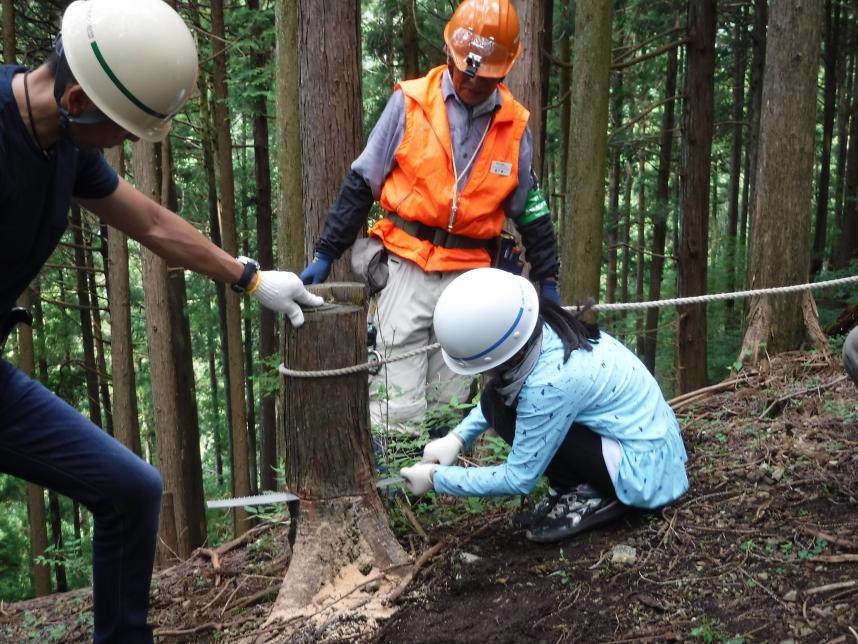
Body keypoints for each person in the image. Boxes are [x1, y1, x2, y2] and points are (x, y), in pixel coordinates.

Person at [0, 1, 322, 641]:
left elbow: (148, 222)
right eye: (119, 130)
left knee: (131, 489)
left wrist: (249, 277)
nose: (122, 144)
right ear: (73, 98)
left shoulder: (61, 139)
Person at [299, 0, 560, 436]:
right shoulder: (411, 103)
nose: (474, 82)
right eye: (467, 71)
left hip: (471, 276)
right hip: (406, 264)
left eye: (486, 75)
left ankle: (438, 493)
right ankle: (396, 491)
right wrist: (328, 251)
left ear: (505, 70)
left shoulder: (514, 127)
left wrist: (547, 279)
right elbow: (363, 182)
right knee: (395, 402)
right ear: (450, 54)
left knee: (450, 398)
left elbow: (530, 210)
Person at [399, 268, 689, 543]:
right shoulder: (540, 329)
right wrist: (458, 437)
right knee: (496, 400)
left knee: (507, 405)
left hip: (641, 469)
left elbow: (518, 477)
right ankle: (577, 485)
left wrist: (436, 478)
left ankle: (593, 493)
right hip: (638, 438)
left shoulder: (551, 382)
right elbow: (496, 399)